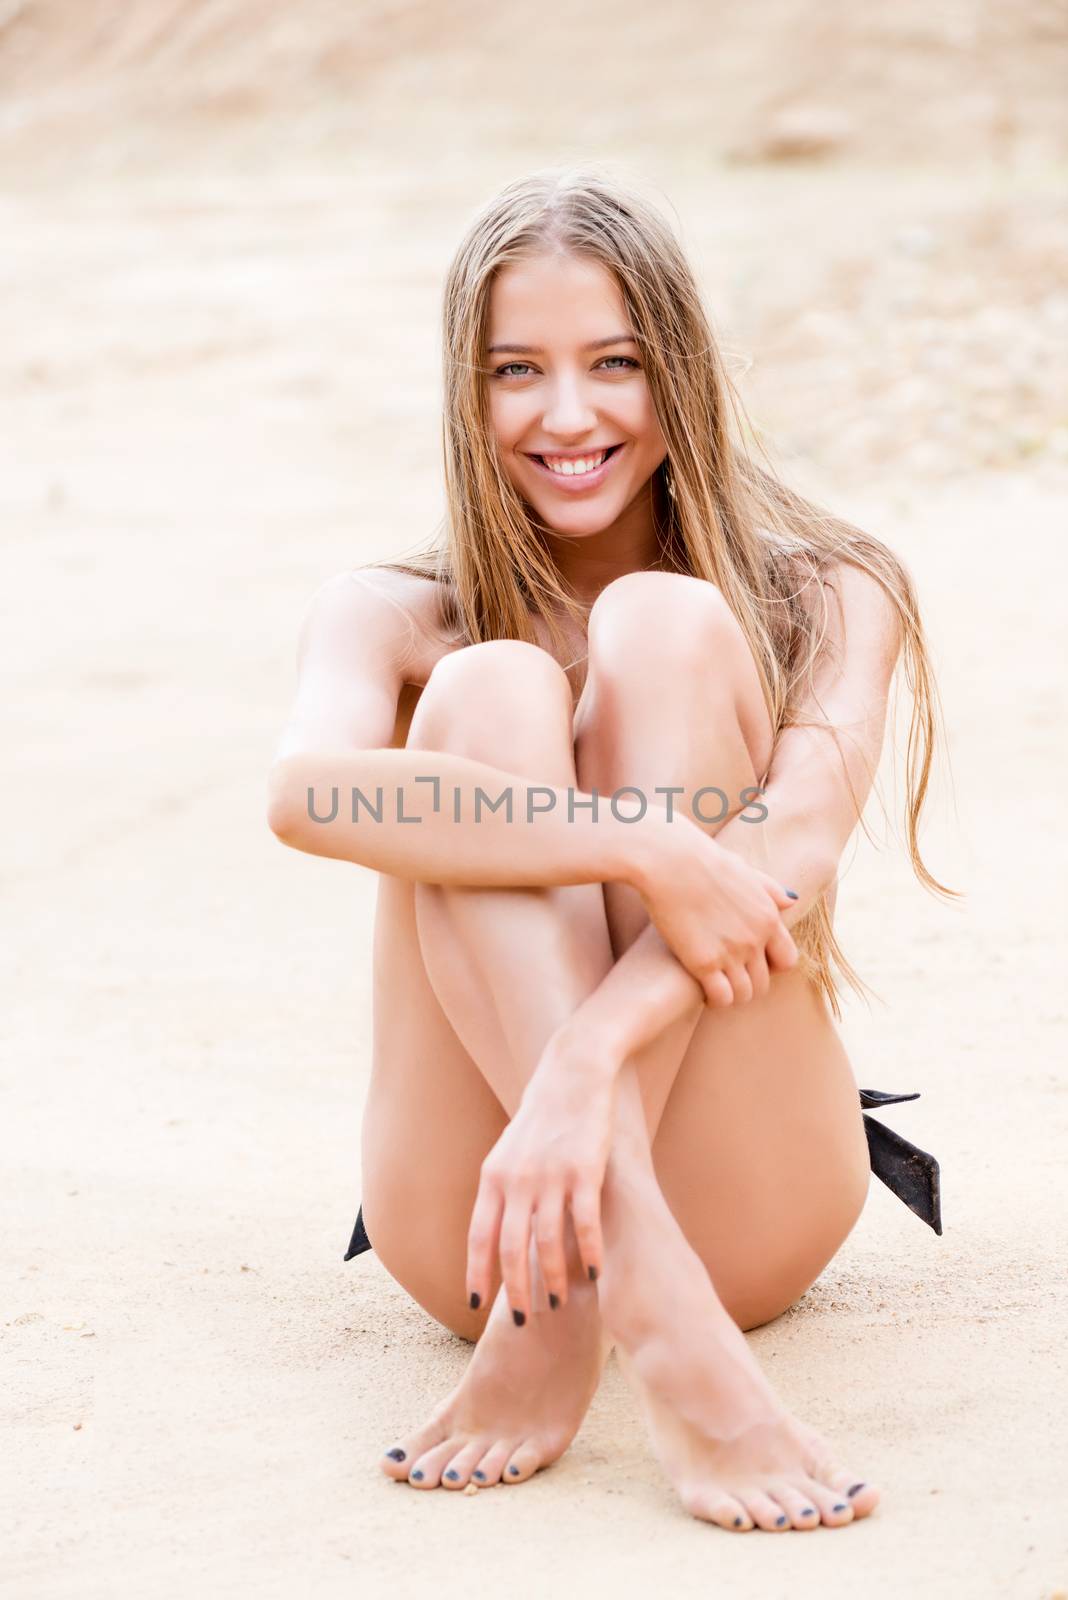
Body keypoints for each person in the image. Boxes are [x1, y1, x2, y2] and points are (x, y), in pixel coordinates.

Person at [265, 166, 954, 1532]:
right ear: (466, 396)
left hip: (746, 1197)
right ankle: (653, 1318)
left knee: (670, 624)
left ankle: (615, 1283)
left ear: (679, 372)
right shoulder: (395, 610)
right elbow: (305, 796)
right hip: (476, 1226)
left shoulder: (826, 589)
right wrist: (641, 842)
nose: (567, 416)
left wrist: (580, 1071)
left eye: (615, 364)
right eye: (516, 370)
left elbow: (797, 841)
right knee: (489, 692)